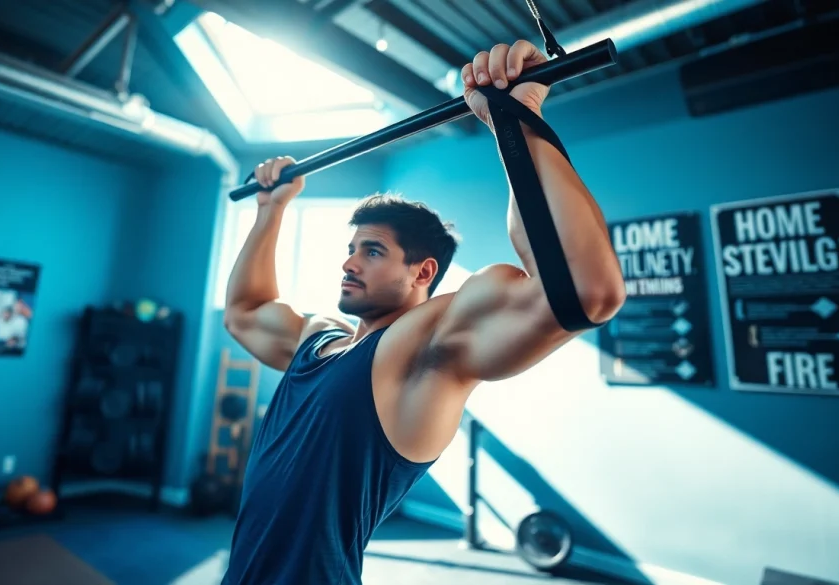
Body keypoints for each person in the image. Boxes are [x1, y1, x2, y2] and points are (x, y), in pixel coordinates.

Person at [219, 40, 626, 585]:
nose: (349, 262)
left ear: (422, 273)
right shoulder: (319, 338)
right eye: (351, 248)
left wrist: (517, 118)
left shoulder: (423, 348)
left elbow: (584, 289)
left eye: (373, 250)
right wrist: (271, 211)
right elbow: (244, 311)